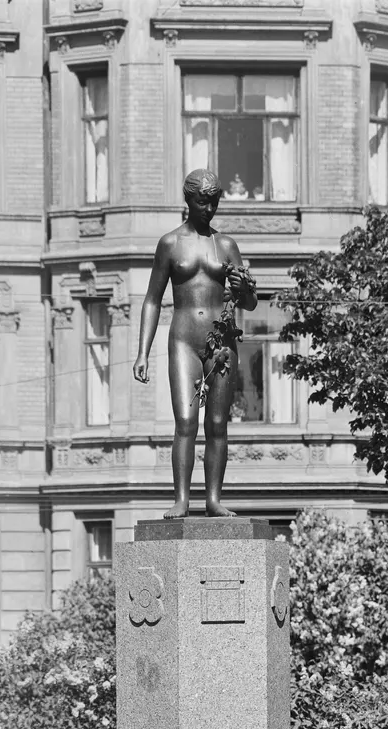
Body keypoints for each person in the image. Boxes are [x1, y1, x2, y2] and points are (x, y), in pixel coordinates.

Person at [133, 168, 259, 519]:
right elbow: (152, 299)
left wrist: (244, 287)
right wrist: (142, 352)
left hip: (221, 342)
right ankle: (182, 499)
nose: (209, 208)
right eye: (203, 200)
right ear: (188, 199)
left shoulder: (228, 245)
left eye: (215, 201)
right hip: (184, 340)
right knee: (186, 421)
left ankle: (214, 500)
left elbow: (249, 303)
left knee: (218, 423)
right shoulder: (171, 244)